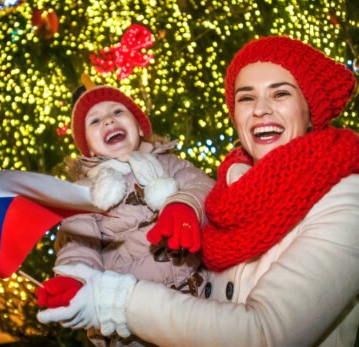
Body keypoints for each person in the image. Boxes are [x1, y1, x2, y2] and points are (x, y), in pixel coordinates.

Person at [37, 36, 359, 347]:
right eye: (246, 97)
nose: (260, 109)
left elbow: (264, 335)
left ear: (309, 109)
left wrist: (115, 301)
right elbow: (78, 242)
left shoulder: (346, 200)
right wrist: (75, 278)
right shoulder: (232, 190)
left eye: (280, 94)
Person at [36, 74, 215, 346]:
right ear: (89, 147)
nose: (108, 120)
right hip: (136, 325)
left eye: (117, 111)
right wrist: (75, 278)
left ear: (140, 126)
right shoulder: (86, 193)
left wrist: (185, 205)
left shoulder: (169, 163)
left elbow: (202, 185)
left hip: (199, 299)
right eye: (94, 121)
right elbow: (78, 243)